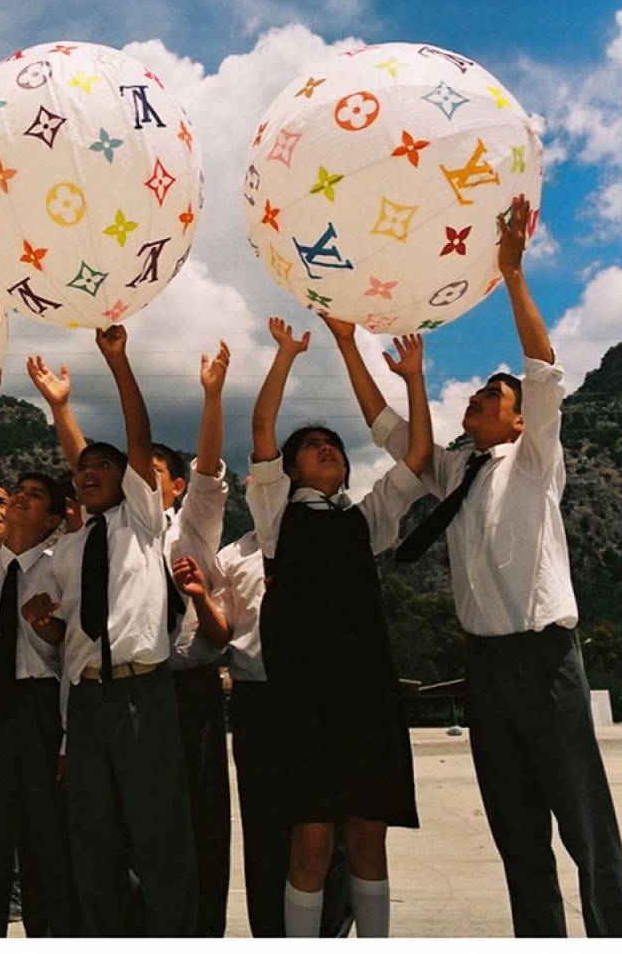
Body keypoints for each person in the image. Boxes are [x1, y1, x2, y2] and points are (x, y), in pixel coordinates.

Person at [327, 194, 622, 938]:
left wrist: (512, 273)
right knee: (516, 829)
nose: (479, 396)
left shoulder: (534, 459)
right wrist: (347, 344)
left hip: (548, 658)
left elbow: (544, 368)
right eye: (479, 391)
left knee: (583, 825)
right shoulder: (455, 470)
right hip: (485, 666)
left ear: (521, 416)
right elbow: (389, 430)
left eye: (492, 394)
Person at [249, 316, 432, 938]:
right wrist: (286, 355)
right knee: (312, 838)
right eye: (313, 444)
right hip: (303, 697)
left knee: (368, 834)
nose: (326, 447)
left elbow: (417, 458)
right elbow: (261, 430)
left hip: (366, 694)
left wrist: (412, 379)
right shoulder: (275, 515)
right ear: (293, 469)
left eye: (333, 443)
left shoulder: (368, 519)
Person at [21, 326, 198, 936]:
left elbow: (137, 437)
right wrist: (44, 627)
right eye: (84, 468)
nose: (90, 473)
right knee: (91, 838)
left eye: (105, 467)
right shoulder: (66, 552)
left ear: (131, 481)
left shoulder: (142, 519)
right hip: (89, 703)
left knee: (159, 837)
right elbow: (60, 644)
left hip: (142, 694)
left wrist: (117, 362)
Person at [211, 516, 352, 938]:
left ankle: (332, 933)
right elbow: (222, 629)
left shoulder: (326, 538)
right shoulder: (232, 556)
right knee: (264, 828)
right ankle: (271, 934)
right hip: (259, 698)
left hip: (320, 696)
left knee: (332, 824)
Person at [0, 472, 79, 936]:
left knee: (47, 839)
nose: (20, 499)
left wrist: (67, 735)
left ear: (52, 519)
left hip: (43, 707)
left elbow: (69, 655)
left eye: (33, 496)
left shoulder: (59, 569)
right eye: (17, 493)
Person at [157, 342, 234, 937]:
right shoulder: (110, 535)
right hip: (140, 691)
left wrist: (212, 396)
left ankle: (203, 931)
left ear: (175, 486)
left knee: (204, 823)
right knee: (150, 827)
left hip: (195, 689)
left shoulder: (191, 527)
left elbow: (209, 469)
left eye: (152, 473)